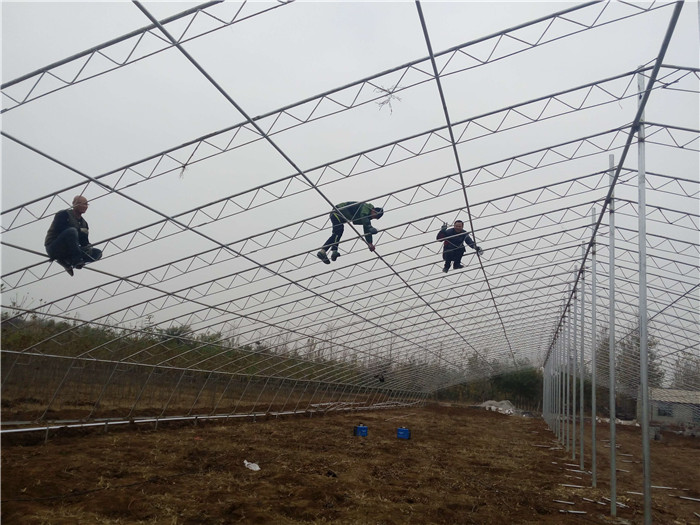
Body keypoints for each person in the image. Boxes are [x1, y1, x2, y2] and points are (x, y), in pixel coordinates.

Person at [44, 195, 102, 276]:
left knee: (97, 252)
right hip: (55, 246)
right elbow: (60, 228)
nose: (85, 206)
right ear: (74, 204)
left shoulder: (84, 223)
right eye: (82, 204)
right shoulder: (63, 214)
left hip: (71, 251)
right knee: (71, 231)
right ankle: (75, 260)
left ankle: (69, 261)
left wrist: (88, 247)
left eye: (86, 204)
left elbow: (84, 242)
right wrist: (79, 231)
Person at [317, 201, 384, 264]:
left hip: (341, 217)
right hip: (338, 211)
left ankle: (330, 251)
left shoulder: (367, 217)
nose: (372, 218)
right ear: (373, 210)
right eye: (374, 216)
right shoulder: (366, 207)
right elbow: (364, 217)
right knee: (338, 231)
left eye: (375, 218)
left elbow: (366, 228)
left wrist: (370, 243)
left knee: (338, 233)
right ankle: (326, 251)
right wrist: (370, 227)